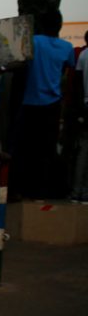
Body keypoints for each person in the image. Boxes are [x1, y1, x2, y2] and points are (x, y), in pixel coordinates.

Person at [9, 9, 76, 199]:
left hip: (30, 101)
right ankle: (44, 189)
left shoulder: (34, 42)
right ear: (60, 25)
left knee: (22, 147)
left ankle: (18, 188)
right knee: (47, 148)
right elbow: (64, 72)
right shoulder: (67, 47)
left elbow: (20, 65)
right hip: (53, 103)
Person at [73, 39, 88, 202]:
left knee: (83, 150)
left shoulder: (83, 55)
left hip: (85, 105)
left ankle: (77, 191)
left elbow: (77, 84)